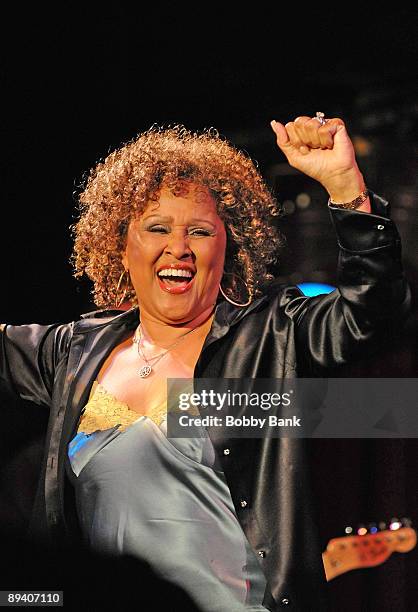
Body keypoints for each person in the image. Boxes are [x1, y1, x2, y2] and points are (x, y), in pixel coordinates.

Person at [0, 114, 410, 611]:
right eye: (157, 227)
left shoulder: (270, 335)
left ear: (229, 248)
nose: (178, 248)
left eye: (199, 231)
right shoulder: (74, 353)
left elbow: (373, 314)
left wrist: (345, 185)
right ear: (121, 244)